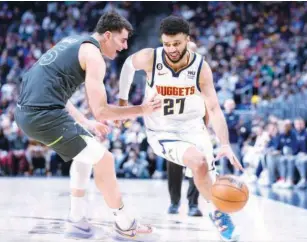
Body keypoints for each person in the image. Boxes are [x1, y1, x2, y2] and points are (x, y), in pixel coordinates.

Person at [15, 11, 160, 240]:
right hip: (41, 116)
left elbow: (53, 89)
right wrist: (142, 109)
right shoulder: (94, 57)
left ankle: (77, 221)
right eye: (122, 40)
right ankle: (124, 224)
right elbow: (102, 110)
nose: (124, 47)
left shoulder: (72, 41)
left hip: (31, 111)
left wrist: (85, 122)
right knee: (105, 159)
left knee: (86, 154)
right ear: (108, 35)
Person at [118, 15, 243, 241]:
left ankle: (209, 207)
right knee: (198, 162)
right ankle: (219, 214)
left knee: (208, 178)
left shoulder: (201, 68)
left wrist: (224, 144)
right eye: (167, 44)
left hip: (194, 129)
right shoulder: (150, 58)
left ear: (187, 40)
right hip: (163, 131)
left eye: (176, 43)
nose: (171, 49)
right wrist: (123, 100)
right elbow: (128, 65)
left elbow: (214, 109)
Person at [166, 41, 203, 217]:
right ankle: (174, 202)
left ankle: (193, 204)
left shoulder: (202, 74)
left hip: (195, 126)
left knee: (197, 164)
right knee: (174, 166)